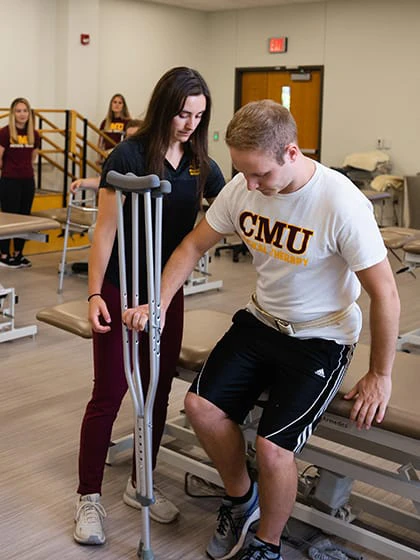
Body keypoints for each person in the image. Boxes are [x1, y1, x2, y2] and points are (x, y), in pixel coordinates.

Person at [122, 100, 400, 560]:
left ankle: (267, 543)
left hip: (321, 338)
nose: (249, 185)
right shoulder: (242, 188)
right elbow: (193, 245)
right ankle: (240, 497)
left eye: (259, 175)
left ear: (291, 153)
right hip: (260, 321)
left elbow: (385, 293)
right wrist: (159, 304)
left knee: (273, 449)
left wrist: (381, 373)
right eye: (242, 173)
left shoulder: (340, 202)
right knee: (200, 406)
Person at [74, 67, 225, 546]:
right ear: (165, 107)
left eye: (199, 116)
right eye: (183, 113)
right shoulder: (129, 154)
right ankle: (88, 498)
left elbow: (232, 202)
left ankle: (143, 481)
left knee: (158, 390)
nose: (190, 124)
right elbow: (105, 229)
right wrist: (95, 292)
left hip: (166, 291)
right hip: (121, 289)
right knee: (111, 391)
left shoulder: (201, 159)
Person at [0, 97, 40, 268]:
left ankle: (18, 253)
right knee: (9, 218)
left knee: (24, 217)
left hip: (27, 180)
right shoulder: (5, 132)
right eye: (18, 111)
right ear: (13, 113)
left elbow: (33, 157)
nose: (22, 114)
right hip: (9, 181)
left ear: (29, 113)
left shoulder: (35, 135)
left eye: (25, 111)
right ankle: (3, 254)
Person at [71, 120, 143, 194]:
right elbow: (104, 181)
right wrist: (82, 182)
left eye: (136, 136)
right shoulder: (120, 158)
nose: (132, 141)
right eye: (129, 137)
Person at [97, 93, 131, 164]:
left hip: (121, 155)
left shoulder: (128, 122)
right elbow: (100, 142)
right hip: (107, 155)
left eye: (120, 103)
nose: (117, 105)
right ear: (111, 105)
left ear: (123, 106)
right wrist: (99, 157)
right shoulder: (105, 122)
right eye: (115, 102)